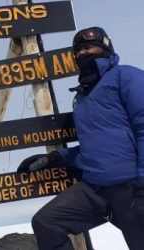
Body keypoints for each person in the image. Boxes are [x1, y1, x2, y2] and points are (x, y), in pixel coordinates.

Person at [17, 26, 144, 250]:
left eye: (91, 47)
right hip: (95, 190)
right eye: (79, 50)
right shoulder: (83, 96)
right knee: (47, 222)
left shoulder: (126, 76)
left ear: (106, 48)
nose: (84, 53)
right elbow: (97, 145)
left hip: (132, 189)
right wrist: (57, 157)